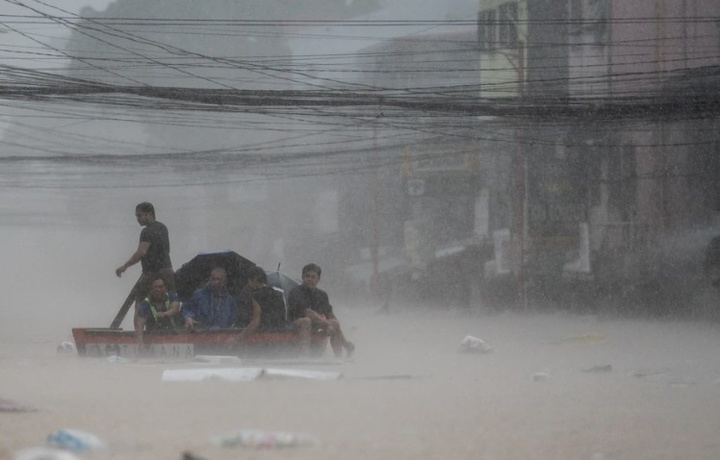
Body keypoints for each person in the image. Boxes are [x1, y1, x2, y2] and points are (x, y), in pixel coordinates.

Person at [288, 263, 354, 358]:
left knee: (334, 322)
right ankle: (304, 356)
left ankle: (339, 357)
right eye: (307, 276)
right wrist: (326, 323)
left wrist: (334, 326)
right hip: (296, 323)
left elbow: (330, 314)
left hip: (316, 323)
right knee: (306, 321)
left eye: (313, 277)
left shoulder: (322, 295)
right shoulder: (295, 292)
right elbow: (308, 313)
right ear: (302, 277)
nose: (310, 279)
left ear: (318, 279)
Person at [115, 202, 175, 307]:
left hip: (152, 272)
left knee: (140, 302)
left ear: (149, 214)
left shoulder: (147, 231)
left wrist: (125, 266)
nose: (138, 219)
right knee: (169, 301)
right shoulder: (163, 227)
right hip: (168, 271)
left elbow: (141, 252)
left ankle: (139, 323)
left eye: (139, 215)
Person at [239, 266, 287, 339]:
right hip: (279, 334)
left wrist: (238, 337)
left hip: (262, 335)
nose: (248, 284)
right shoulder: (279, 294)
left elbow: (256, 321)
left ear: (254, 280)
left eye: (249, 280)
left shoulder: (256, 296)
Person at [134, 275, 181, 342]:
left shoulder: (171, 296)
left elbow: (175, 309)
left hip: (175, 336)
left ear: (165, 288)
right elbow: (139, 325)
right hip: (153, 339)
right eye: (155, 287)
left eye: (160, 287)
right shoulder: (144, 304)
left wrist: (165, 314)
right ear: (151, 289)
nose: (158, 290)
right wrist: (140, 343)